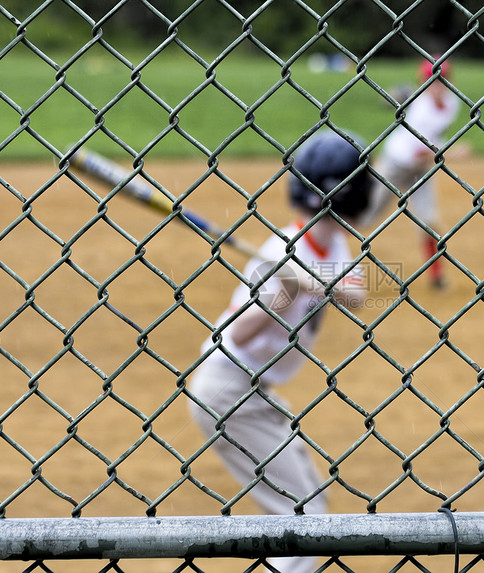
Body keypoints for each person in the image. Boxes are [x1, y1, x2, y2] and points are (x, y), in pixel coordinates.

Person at [187, 131, 373, 573]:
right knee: (305, 521)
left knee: (310, 506)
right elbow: (237, 335)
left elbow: (359, 295)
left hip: (256, 390)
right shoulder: (275, 255)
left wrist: (316, 280)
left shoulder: (333, 242)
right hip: (227, 388)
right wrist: (282, 294)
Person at [366, 55, 468, 289]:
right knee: (366, 215)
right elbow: (421, 152)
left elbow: (433, 138)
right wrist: (453, 153)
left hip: (421, 169)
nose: (438, 85)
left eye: (443, 79)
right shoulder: (420, 110)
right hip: (397, 164)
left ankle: (436, 276)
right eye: (431, 80)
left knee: (429, 221)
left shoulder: (453, 103)